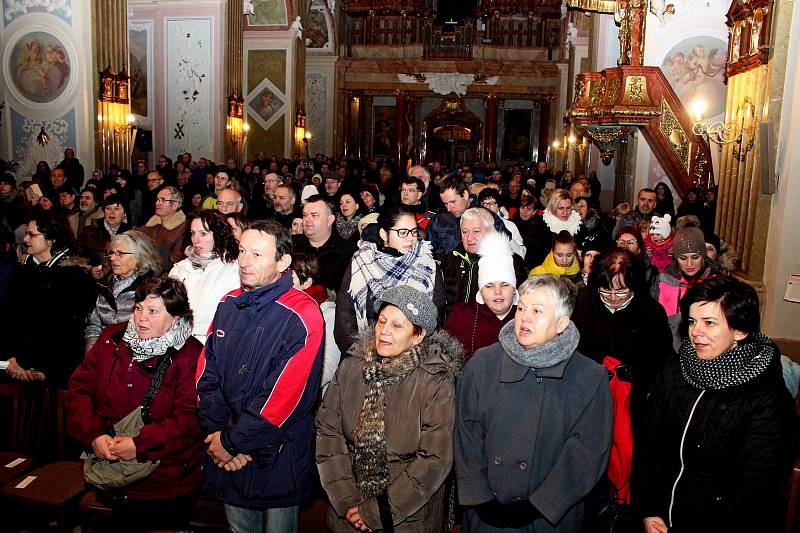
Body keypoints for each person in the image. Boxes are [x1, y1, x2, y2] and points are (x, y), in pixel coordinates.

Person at [634, 277, 796, 533]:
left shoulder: (766, 396)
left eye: (709, 323)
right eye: (692, 321)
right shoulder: (675, 368)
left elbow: (757, 487)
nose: (695, 331)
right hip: (660, 517)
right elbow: (649, 445)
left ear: (740, 331)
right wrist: (648, 510)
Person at [455, 275, 613, 531]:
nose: (524, 318)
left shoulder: (588, 377)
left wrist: (541, 504)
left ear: (562, 323)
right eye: (521, 308)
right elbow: (466, 433)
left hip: (549, 519)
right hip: (486, 515)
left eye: (537, 311)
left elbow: (586, 452)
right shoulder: (483, 364)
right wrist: (479, 496)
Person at [196, 220, 324, 533]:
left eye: (256, 254)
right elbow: (206, 373)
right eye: (242, 251)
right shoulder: (229, 303)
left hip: (276, 454)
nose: (243, 261)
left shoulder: (303, 313)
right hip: (228, 448)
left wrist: (231, 442)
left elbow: (284, 397)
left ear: (283, 262)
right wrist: (217, 434)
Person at [316, 285, 463, 532]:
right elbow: (329, 434)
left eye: (397, 325)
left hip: (409, 518)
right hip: (348, 515)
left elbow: (434, 460)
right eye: (381, 321)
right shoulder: (352, 366)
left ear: (419, 336)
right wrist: (348, 502)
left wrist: (377, 512)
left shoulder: (436, 381)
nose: (384, 331)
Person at [66, 276, 204, 531]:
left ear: (175, 317)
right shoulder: (112, 339)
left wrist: (140, 445)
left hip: (166, 482)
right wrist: (94, 434)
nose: (141, 318)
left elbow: (189, 418)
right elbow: (79, 389)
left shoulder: (189, 354)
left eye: (153, 311)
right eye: (139, 308)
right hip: (110, 471)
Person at [571, 249, 674, 509]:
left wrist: (638, 375)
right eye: (607, 291)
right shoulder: (583, 306)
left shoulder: (651, 313)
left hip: (633, 403)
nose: (614, 298)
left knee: (627, 457)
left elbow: (662, 361)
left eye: (621, 292)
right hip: (588, 402)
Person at [1, 212, 95, 386]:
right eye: (26, 234)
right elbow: (8, 317)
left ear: (52, 240)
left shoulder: (75, 277)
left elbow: (66, 331)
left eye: (32, 235)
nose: (25, 239)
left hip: (53, 370)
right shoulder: (22, 271)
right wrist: (11, 359)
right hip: (13, 364)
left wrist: (40, 369)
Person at [334, 206, 444, 354]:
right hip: (364, 353)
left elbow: (435, 317)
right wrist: (361, 353)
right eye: (403, 233)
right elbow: (345, 317)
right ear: (384, 234)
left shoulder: (427, 265)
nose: (411, 238)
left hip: (411, 356)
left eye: (414, 232)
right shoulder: (362, 261)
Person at [169, 210, 240, 345]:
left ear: (218, 235)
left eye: (203, 233)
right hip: (177, 341)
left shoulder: (234, 270)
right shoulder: (180, 268)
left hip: (212, 343)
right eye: (192, 233)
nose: (196, 240)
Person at [85, 230, 163, 352]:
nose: (112, 258)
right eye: (112, 253)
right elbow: (94, 326)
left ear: (139, 256)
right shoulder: (103, 285)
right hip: (103, 352)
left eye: (120, 253)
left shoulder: (151, 289)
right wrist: (91, 353)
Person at [441, 207, 527, 315]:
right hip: (454, 327)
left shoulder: (509, 261)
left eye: (476, 231)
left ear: (491, 231)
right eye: (465, 232)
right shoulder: (450, 260)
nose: (469, 237)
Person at [445, 232, 518, 360]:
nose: (497, 292)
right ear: (480, 290)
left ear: (514, 289)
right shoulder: (460, 318)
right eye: (489, 286)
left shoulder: (527, 318)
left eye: (505, 285)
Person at [657, 227, 721, 350]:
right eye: (683, 258)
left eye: (695, 257)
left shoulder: (716, 283)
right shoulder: (663, 281)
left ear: (703, 256)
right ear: (676, 258)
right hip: (669, 349)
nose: (690, 264)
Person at [292, 194, 355, 293]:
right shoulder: (292, 245)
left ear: (330, 219)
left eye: (314, 215)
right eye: (304, 215)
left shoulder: (347, 252)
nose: (307, 219)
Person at [528, 189, 582, 268]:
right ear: (553, 207)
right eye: (561, 208)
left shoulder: (577, 223)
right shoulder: (542, 224)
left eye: (568, 208)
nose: (565, 212)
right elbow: (533, 255)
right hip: (546, 269)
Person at [140, 185, 188, 269]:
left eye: (162, 200)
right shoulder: (151, 224)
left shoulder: (183, 228)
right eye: (157, 200)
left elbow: (176, 261)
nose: (157, 203)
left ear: (175, 205)